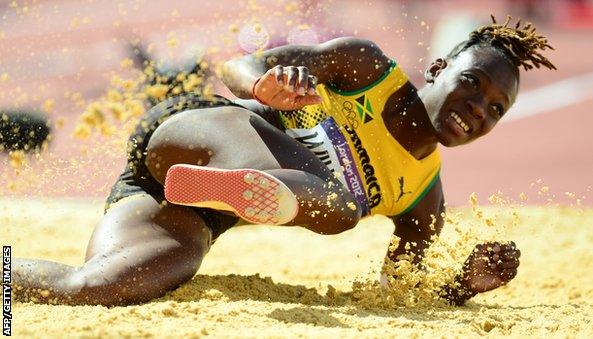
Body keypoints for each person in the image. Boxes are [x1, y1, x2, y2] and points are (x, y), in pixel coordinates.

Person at [9, 16, 555, 306]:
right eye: (471, 83)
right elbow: (238, 65)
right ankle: (258, 187)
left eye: (495, 109)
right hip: (203, 130)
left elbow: (401, 289)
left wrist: (463, 285)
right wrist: (264, 86)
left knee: (99, 288)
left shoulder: (422, 200)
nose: (476, 109)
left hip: (181, 195)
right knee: (341, 208)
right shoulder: (366, 69)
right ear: (438, 67)